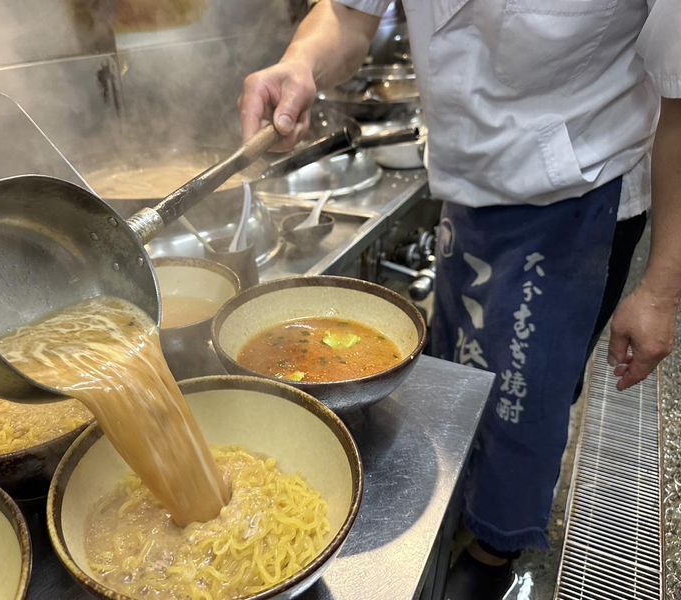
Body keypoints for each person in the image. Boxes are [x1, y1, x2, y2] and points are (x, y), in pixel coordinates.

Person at [239, 1, 681, 598]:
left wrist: (661, 291)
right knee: (458, 372)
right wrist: (300, 63)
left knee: (525, 398)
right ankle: (460, 507)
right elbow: (348, 15)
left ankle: (495, 550)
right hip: (467, 187)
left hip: (575, 195)